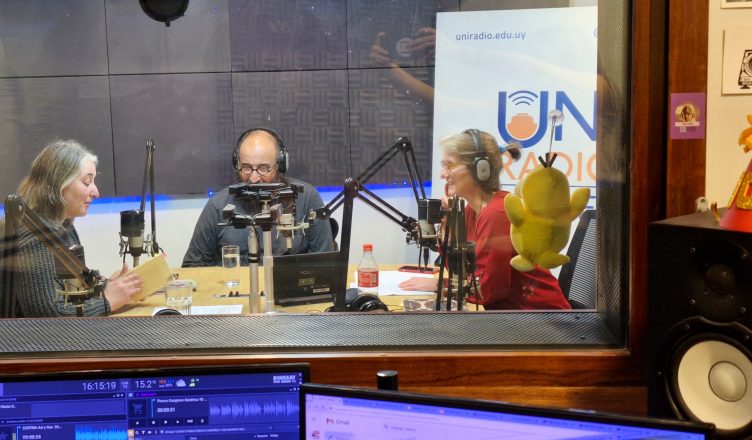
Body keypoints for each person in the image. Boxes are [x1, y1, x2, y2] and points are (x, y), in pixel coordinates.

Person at [399, 130, 571, 310]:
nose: (443, 174)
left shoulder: (496, 214)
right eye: (444, 165)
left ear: (480, 169)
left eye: (450, 165)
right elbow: (461, 274)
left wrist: (441, 285)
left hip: (540, 319)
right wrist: (449, 230)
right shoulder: (471, 211)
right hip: (510, 316)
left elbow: (488, 291)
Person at [0, 140, 143, 317]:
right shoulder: (33, 238)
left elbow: (71, 290)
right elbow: (47, 314)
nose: (96, 192)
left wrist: (108, 286)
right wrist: (108, 301)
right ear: (58, 185)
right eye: (87, 182)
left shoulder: (63, 227)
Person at [182, 127, 333, 267]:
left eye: (263, 168)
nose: (253, 178)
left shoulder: (307, 199)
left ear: (280, 165)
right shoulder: (218, 206)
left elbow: (326, 264)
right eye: (246, 168)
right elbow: (192, 267)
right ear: (237, 164)